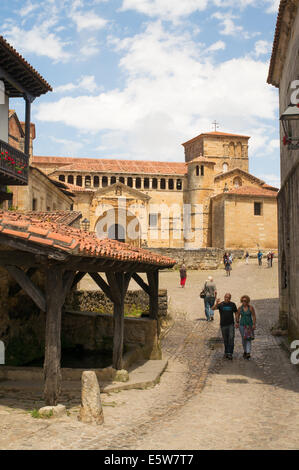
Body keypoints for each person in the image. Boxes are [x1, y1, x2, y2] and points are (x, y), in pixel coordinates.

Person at [212, 293, 237, 360]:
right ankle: (226, 352)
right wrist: (217, 303)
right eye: (225, 297)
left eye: (228, 298)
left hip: (231, 324)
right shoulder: (221, 304)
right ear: (224, 297)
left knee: (231, 338)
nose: (226, 298)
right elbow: (212, 308)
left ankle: (230, 353)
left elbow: (236, 312)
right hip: (223, 324)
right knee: (225, 339)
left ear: (230, 298)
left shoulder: (232, 304)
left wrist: (237, 321)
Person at [235, 295, 256, 360]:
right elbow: (237, 316)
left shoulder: (251, 308)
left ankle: (248, 353)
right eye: (243, 301)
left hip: (249, 325)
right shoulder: (240, 308)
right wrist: (237, 322)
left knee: (248, 338)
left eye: (245, 301)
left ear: (248, 301)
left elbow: (254, 316)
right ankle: (245, 350)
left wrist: (254, 324)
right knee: (244, 338)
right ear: (241, 301)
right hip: (242, 325)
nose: (244, 302)